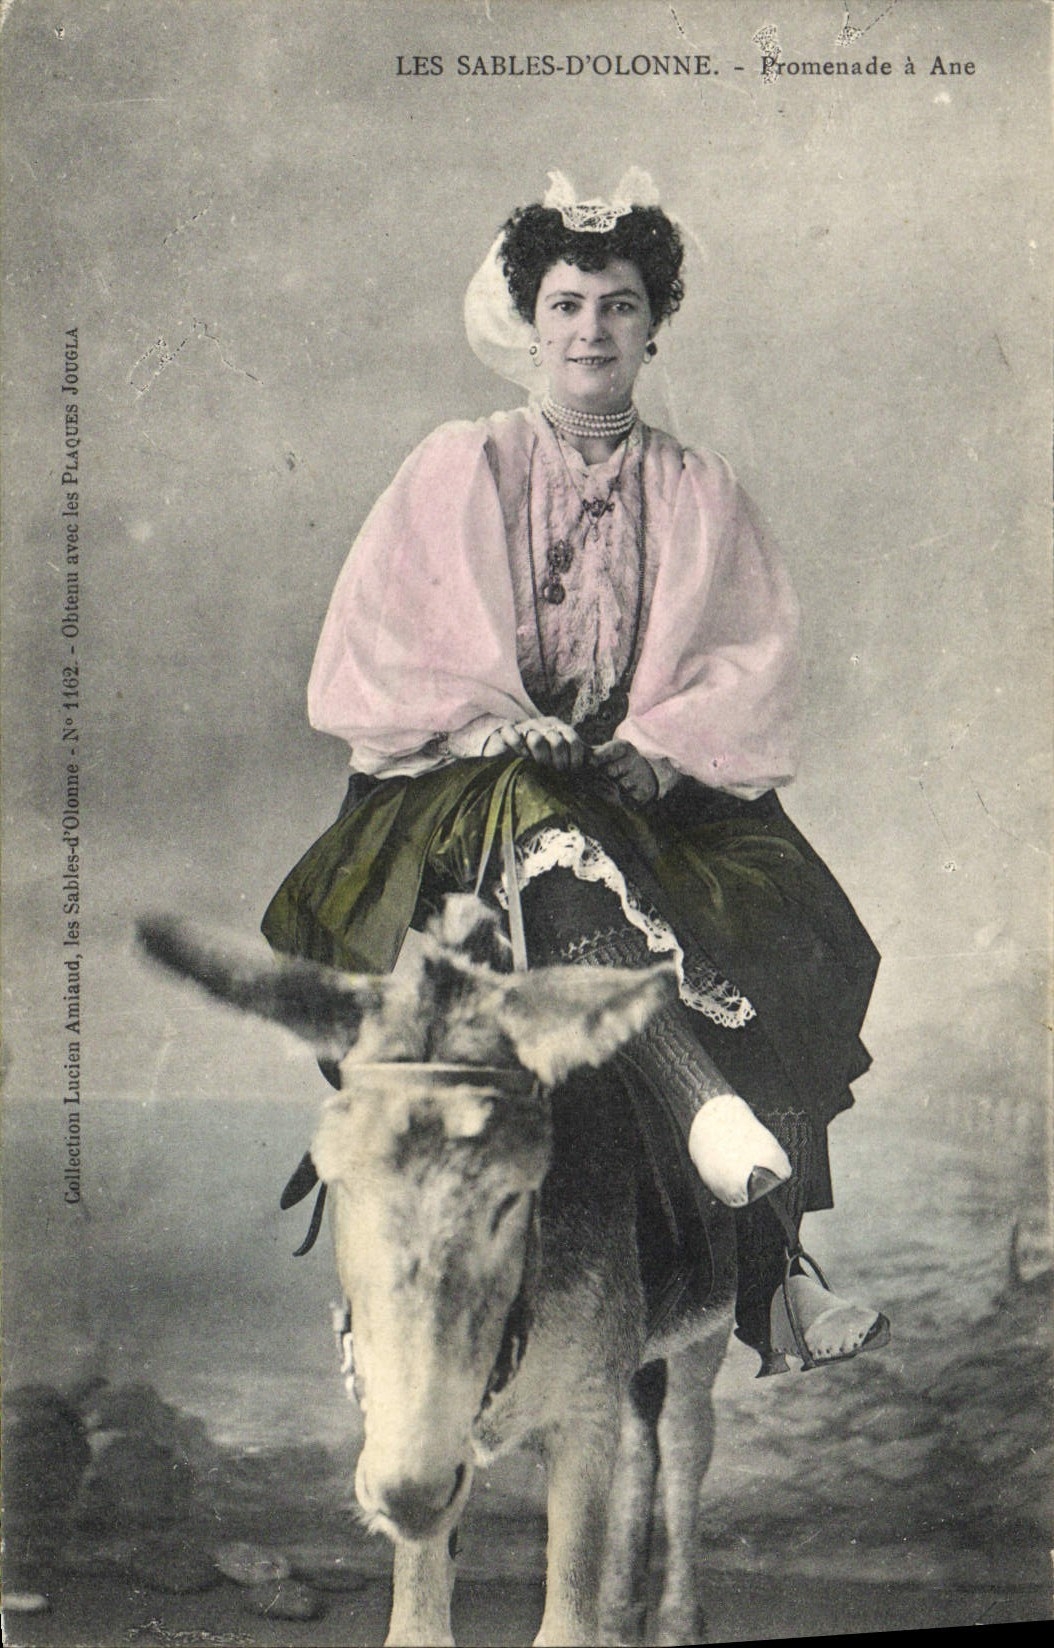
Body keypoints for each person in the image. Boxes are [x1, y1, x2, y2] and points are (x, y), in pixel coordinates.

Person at [263, 170, 889, 1375]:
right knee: (515, 836)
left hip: (645, 790)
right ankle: (693, 1118)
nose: (590, 331)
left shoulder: (699, 495)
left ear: (654, 325)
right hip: (456, 787)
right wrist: (491, 723)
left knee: (796, 934)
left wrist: (652, 752)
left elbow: (749, 663)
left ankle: (772, 1277)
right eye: (565, 305)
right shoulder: (463, 467)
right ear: (527, 323)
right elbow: (385, 641)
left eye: (616, 305)